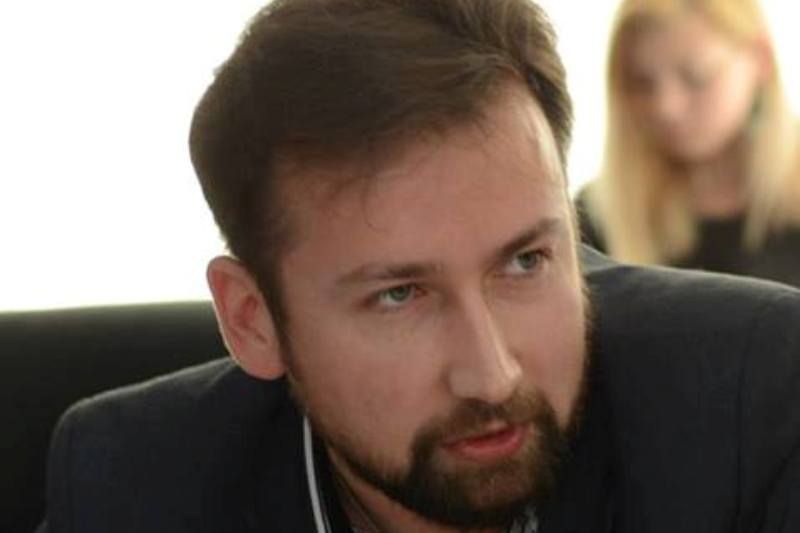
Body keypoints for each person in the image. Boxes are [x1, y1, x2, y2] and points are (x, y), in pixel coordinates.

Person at [38, 0, 800, 532]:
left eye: (526, 261)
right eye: (400, 294)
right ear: (252, 319)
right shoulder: (129, 484)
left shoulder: (753, 402)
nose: (492, 374)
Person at [577, 0, 800, 287]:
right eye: (642, 83)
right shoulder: (596, 218)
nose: (666, 107)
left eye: (696, 77)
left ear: (761, 59)